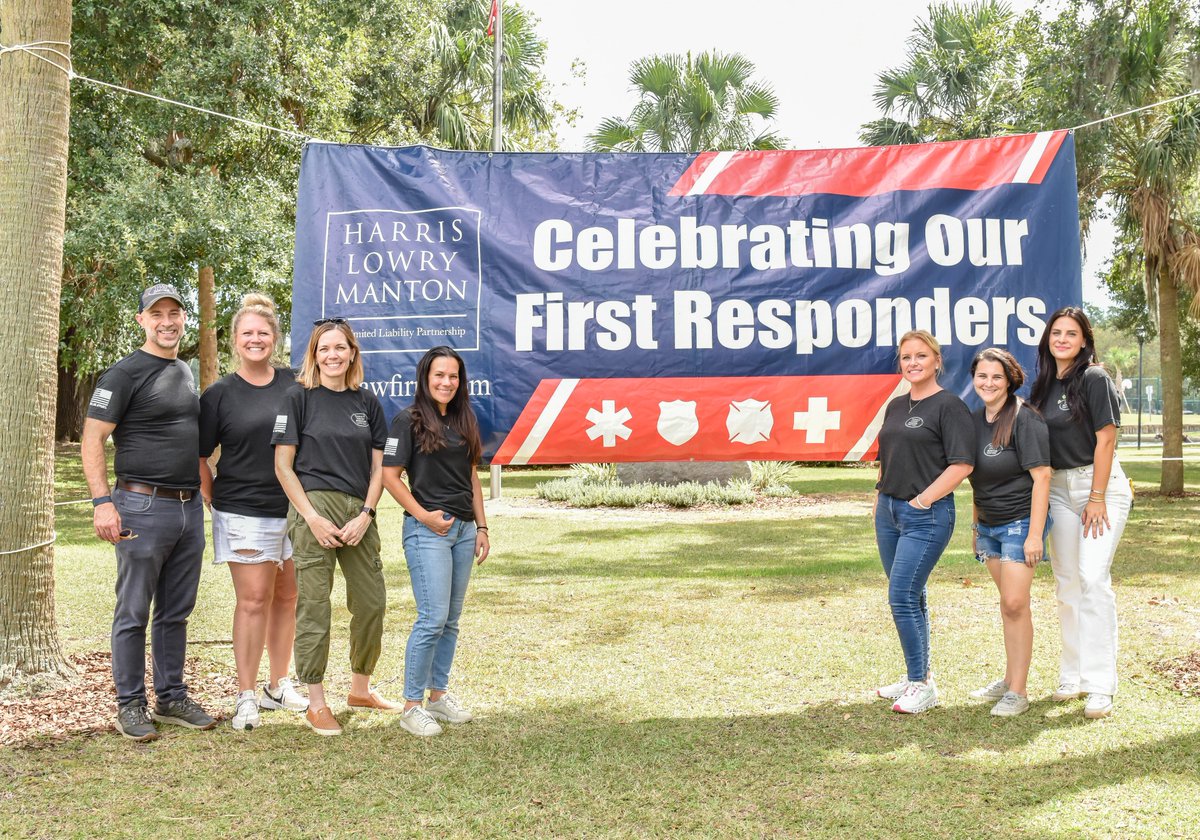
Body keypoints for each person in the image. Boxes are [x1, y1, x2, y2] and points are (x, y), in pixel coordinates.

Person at [82, 283, 217, 741]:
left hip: (187, 508)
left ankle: (172, 696)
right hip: (140, 506)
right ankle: (130, 704)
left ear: (184, 319)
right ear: (141, 320)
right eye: (156, 314)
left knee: (176, 610)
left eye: (174, 313)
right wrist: (103, 503)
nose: (166, 322)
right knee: (134, 611)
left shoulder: (183, 371)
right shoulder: (123, 374)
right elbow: (92, 439)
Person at [272, 318, 392, 736]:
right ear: (314, 355)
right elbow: (283, 467)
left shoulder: (367, 402)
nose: (332, 355)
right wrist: (311, 517)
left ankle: (360, 688)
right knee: (314, 606)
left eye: (340, 347)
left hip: (358, 511)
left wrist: (367, 514)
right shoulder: (297, 398)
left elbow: (379, 468)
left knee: (372, 601)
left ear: (352, 353)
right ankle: (317, 702)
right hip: (314, 508)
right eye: (324, 348)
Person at [199, 294, 308, 732]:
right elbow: (200, 455)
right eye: (247, 333)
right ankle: (246, 694)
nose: (256, 339)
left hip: (296, 510)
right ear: (235, 340)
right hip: (243, 511)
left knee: (288, 597)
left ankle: (277, 685)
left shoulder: (297, 385)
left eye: (263, 332)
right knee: (254, 600)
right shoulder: (219, 394)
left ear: (275, 338)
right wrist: (214, 499)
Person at [1029, 306, 1132, 719]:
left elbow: (1106, 440)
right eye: (1056, 332)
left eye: (1071, 333)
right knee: (1067, 583)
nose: (1062, 339)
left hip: (1099, 487)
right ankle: (1072, 674)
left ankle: (1100, 684)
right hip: (1058, 490)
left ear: (1084, 340)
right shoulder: (1042, 385)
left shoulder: (1094, 378)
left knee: (1092, 578)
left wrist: (1097, 496)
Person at [383, 346, 491, 738]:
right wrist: (425, 516)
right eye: (439, 375)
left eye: (453, 376)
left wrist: (482, 527)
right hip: (426, 531)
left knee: (450, 619)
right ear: (425, 378)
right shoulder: (407, 420)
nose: (447, 382)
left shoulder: (465, 419)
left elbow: (472, 476)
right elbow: (390, 476)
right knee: (431, 618)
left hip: (464, 531)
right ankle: (411, 707)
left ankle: (438, 697)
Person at [873, 329, 975, 714]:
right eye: (906, 357)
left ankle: (921, 685)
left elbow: (962, 464)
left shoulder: (950, 406)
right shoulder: (896, 406)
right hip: (888, 512)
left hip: (926, 516)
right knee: (912, 596)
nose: (913, 363)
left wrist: (922, 500)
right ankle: (918, 674)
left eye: (920, 356)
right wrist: (879, 499)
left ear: (936, 361)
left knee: (901, 596)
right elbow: (887, 458)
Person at [965, 348, 1051, 717]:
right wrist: (975, 526)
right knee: (1008, 606)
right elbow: (973, 478)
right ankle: (1009, 679)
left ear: (1010, 380)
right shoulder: (972, 421)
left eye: (996, 377)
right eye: (982, 376)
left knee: (1015, 604)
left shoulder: (1024, 418)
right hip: (988, 525)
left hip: (1020, 523)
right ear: (974, 379)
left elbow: (1042, 477)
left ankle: (1019, 691)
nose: (988, 383)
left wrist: (1034, 535)